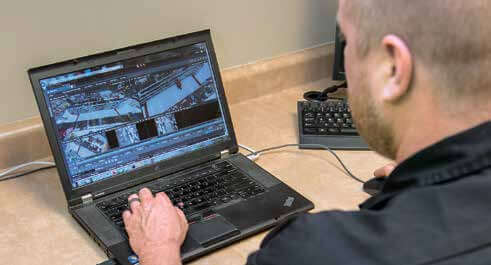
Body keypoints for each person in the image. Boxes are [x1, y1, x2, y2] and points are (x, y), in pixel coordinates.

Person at [122, 0, 491, 264]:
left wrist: (159, 252)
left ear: (393, 69)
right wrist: (422, 185)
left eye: (348, 42)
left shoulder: (312, 252)